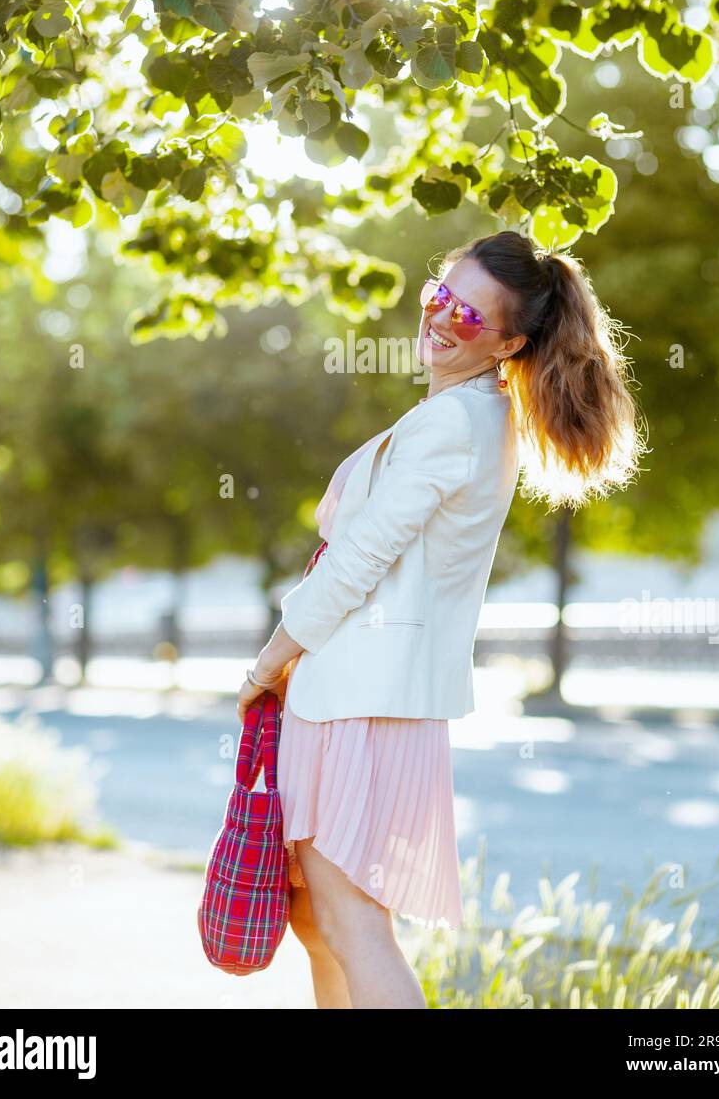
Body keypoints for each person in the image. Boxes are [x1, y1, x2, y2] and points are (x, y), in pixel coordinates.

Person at [236, 229, 645, 1008]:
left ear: (509, 343)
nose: (439, 317)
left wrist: (265, 665)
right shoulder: (470, 417)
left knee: (351, 922)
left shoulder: (453, 426)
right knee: (319, 920)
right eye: (439, 295)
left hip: (358, 701)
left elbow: (355, 562)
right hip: (366, 699)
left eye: (465, 314)